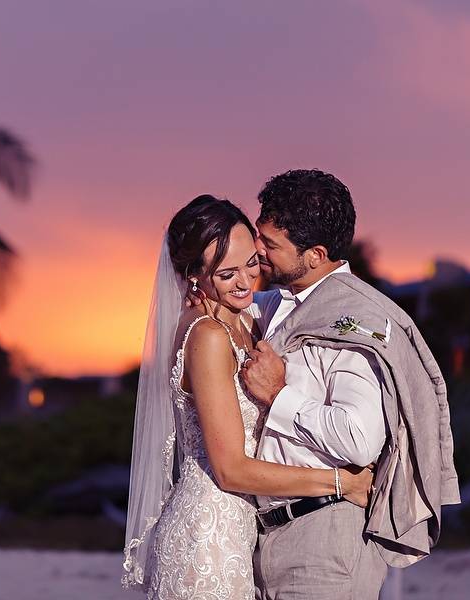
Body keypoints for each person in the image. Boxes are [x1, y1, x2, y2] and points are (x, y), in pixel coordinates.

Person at [122, 194, 373, 599]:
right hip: (208, 536)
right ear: (194, 278)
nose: (245, 282)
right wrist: (340, 482)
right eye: (226, 274)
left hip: (240, 531)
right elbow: (230, 470)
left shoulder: (246, 319)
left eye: (252, 263)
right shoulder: (207, 336)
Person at [239, 169, 460, 599]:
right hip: (266, 534)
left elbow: (359, 441)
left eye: (271, 244)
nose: (256, 251)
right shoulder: (274, 303)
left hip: (326, 540)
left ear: (316, 255)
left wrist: (279, 396)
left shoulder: (357, 325)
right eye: (257, 235)